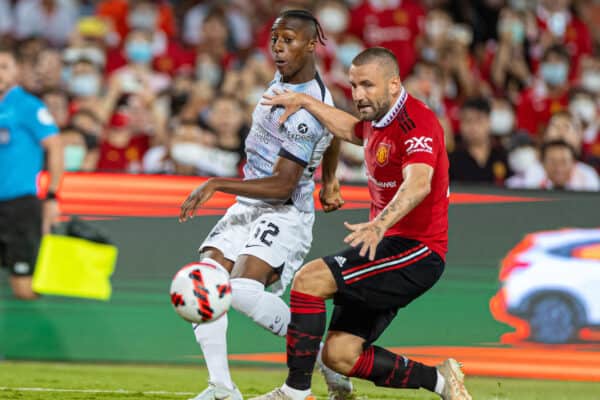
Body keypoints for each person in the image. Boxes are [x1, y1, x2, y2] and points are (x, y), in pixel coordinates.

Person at [255, 47, 472, 400]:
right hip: (386, 247)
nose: (358, 95)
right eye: (354, 86)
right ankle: (441, 382)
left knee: (309, 280)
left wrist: (380, 224)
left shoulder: (418, 122)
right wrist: (306, 102)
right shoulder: (379, 121)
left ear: (394, 83)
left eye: (367, 86)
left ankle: (295, 393)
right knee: (340, 355)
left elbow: (419, 182)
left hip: (415, 250)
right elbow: (351, 129)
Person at [178, 10, 350, 400]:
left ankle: (323, 358)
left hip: (284, 209)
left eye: (288, 40)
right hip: (248, 202)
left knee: (237, 288)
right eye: (275, 39)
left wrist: (217, 183)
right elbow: (337, 127)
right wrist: (332, 178)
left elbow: (283, 185)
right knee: (204, 283)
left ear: (311, 45)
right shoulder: (286, 83)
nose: (278, 47)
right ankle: (221, 387)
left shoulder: (308, 109)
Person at [0, 45, 62, 299]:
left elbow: (55, 147)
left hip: (19, 206)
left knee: (23, 287)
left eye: (4, 67)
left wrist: (51, 196)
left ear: (17, 72)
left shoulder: (28, 106)